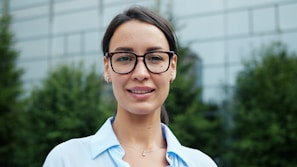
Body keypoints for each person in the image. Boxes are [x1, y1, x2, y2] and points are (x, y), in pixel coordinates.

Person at [43, 6, 217, 167]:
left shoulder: (201, 164)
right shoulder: (66, 159)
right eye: (125, 58)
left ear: (172, 67)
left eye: (155, 58)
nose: (140, 73)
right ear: (107, 67)